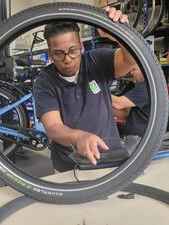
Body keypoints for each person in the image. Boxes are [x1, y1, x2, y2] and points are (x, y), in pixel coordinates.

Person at [34, 7, 143, 172]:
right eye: (58, 54)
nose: (67, 59)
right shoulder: (45, 81)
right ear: (49, 54)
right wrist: (77, 137)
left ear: (81, 46)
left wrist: (121, 34)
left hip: (110, 160)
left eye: (73, 51)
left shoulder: (97, 61)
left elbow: (129, 61)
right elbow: (53, 127)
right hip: (70, 167)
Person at [111, 65, 149, 137]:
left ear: (144, 69)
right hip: (132, 139)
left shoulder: (146, 87)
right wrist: (105, 106)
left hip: (142, 140)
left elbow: (117, 103)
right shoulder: (136, 87)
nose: (131, 72)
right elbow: (125, 114)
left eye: (134, 69)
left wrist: (97, 90)